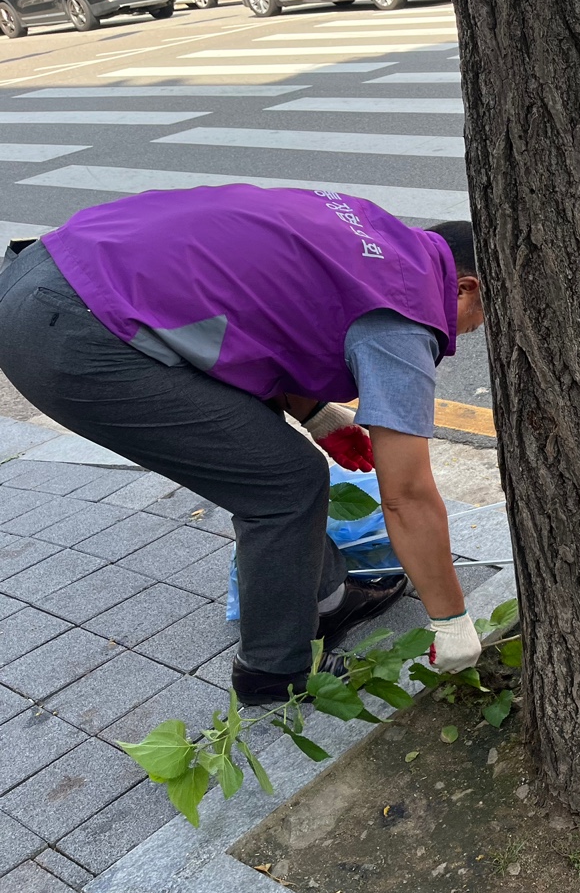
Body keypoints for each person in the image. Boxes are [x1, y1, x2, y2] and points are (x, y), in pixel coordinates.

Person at [0, 185, 491, 706]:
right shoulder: (405, 314)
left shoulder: (375, 232)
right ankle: (274, 672)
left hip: (46, 269)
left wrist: (316, 414)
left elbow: (267, 316)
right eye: (479, 320)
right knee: (285, 483)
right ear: (463, 287)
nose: (467, 335)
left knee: (270, 450)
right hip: (75, 330)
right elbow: (406, 494)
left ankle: (322, 598)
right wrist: (452, 621)